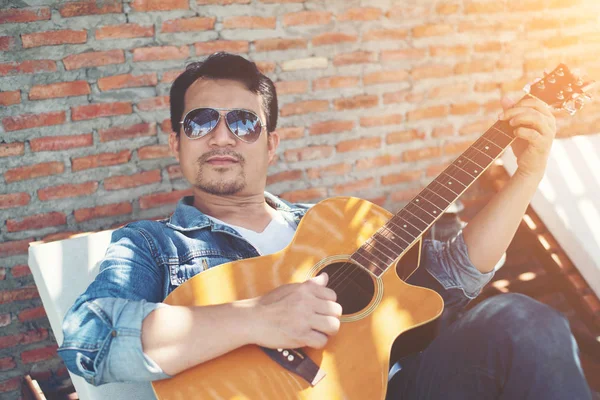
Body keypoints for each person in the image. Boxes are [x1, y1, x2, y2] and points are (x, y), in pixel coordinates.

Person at [58, 52, 592, 399]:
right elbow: (89, 340)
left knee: (523, 321)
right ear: (176, 143)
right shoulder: (153, 245)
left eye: (243, 122)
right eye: (200, 122)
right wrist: (255, 317)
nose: (221, 137)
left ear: (271, 143)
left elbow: (453, 277)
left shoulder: (335, 225)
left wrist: (527, 173)